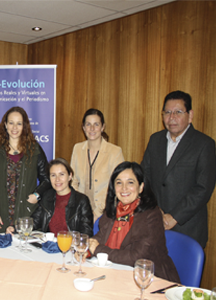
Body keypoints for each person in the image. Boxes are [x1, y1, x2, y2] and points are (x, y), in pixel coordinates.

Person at [141, 90, 216, 248]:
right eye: (167, 112)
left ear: (190, 115)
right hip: (155, 223)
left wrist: (174, 216)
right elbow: (144, 177)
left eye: (178, 112)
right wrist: (156, 209)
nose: (172, 117)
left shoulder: (204, 144)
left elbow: (203, 188)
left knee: (182, 273)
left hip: (188, 228)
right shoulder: (155, 140)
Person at [88, 161, 180, 282]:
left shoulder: (151, 215)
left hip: (148, 279)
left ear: (141, 187)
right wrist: (88, 248)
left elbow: (137, 257)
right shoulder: (114, 210)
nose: (124, 188)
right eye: (119, 183)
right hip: (116, 274)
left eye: (130, 182)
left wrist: (98, 250)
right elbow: (100, 237)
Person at [0, 106, 50, 232]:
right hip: (1, 213)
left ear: (24, 126)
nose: (14, 128)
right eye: (11, 123)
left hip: (26, 213)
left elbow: (47, 178)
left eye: (19, 124)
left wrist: (37, 195)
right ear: (5, 125)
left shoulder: (34, 149)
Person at [70, 109, 124, 222]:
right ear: (83, 127)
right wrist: (78, 207)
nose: (92, 128)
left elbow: (117, 186)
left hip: (105, 213)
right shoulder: (77, 148)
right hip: (81, 211)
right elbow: (73, 181)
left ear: (103, 127)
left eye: (96, 124)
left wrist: (97, 213)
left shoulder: (114, 152)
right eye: (88, 124)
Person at [30, 158, 93, 236]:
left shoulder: (81, 201)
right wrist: (15, 228)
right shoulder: (47, 196)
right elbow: (34, 222)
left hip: (71, 246)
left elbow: (86, 234)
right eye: (53, 175)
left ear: (70, 176)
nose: (57, 179)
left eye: (61, 174)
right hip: (49, 245)